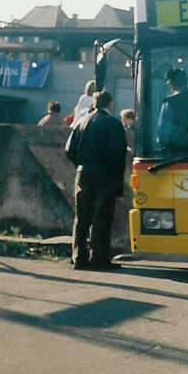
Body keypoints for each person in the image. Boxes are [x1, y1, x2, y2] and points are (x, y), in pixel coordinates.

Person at [64, 90, 127, 269]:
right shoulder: (114, 124)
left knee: (82, 216)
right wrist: (117, 179)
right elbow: (118, 154)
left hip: (83, 172)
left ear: (94, 103)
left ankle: (79, 257)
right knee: (102, 216)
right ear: (110, 103)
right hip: (106, 174)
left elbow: (69, 150)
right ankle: (99, 258)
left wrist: (81, 163)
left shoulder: (82, 121)